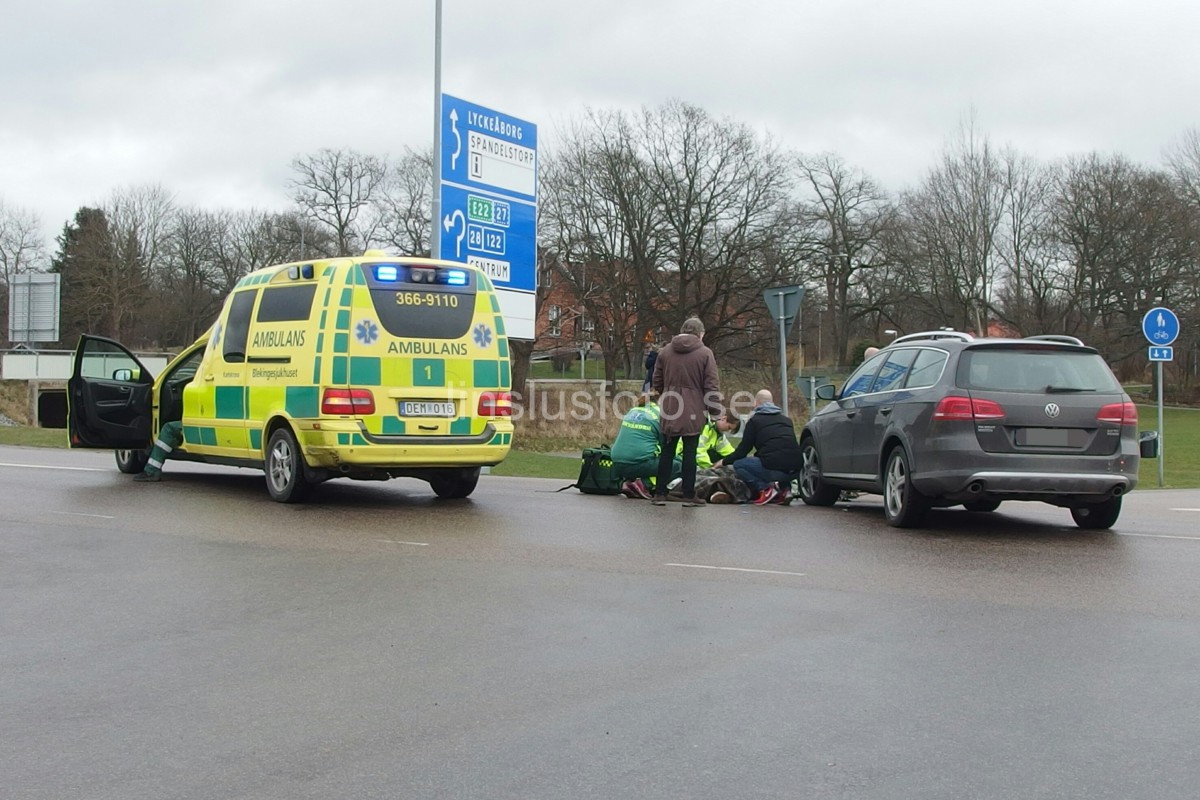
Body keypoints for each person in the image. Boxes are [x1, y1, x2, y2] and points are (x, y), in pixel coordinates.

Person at [651, 317, 721, 507]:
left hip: (670, 407)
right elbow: (711, 386)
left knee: (667, 450)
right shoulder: (705, 353)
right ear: (700, 334)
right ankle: (689, 495)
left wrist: (663, 397)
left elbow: (656, 381)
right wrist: (715, 411)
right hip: (693, 409)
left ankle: (660, 493)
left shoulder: (665, 351)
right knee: (690, 453)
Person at [719, 389, 802, 505]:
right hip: (796, 469)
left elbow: (742, 451)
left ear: (756, 403)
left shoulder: (754, 421)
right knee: (781, 458)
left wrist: (723, 462)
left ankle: (766, 489)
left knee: (739, 464)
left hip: (774, 468)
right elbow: (782, 446)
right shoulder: (786, 420)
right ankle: (785, 490)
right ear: (772, 403)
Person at [611, 395, 680, 499]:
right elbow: (666, 447)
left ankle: (630, 483)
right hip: (636, 463)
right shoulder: (660, 414)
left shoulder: (633, 411)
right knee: (676, 466)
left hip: (616, 463)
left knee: (650, 459)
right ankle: (644, 484)